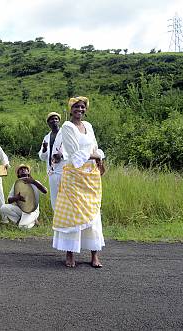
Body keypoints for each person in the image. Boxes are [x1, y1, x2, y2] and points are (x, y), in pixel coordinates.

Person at [52, 97, 106, 268]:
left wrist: (99, 160)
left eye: (82, 107)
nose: (80, 109)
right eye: (76, 107)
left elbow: (95, 147)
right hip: (74, 177)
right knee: (74, 215)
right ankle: (70, 254)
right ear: (70, 109)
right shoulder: (67, 127)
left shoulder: (88, 126)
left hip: (91, 176)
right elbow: (75, 155)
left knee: (93, 214)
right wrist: (96, 156)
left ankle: (94, 255)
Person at [0, 164, 47, 229]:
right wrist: (16, 198)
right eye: (21, 169)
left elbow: (45, 191)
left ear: (28, 172)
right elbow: (9, 200)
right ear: (18, 174)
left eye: (25, 169)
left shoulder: (34, 182)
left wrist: (33, 182)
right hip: (20, 209)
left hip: (31, 211)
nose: (23, 170)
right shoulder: (16, 184)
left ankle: (32, 220)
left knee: (23, 227)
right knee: (3, 207)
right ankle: (19, 221)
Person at [38, 112, 64, 210]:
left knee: (65, 196)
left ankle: (67, 222)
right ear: (48, 123)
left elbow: (72, 150)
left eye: (56, 119)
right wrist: (44, 149)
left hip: (63, 170)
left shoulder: (65, 134)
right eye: (52, 119)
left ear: (59, 121)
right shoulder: (46, 137)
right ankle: (57, 220)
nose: (54, 121)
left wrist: (62, 155)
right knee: (54, 197)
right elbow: (42, 157)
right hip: (51, 172)